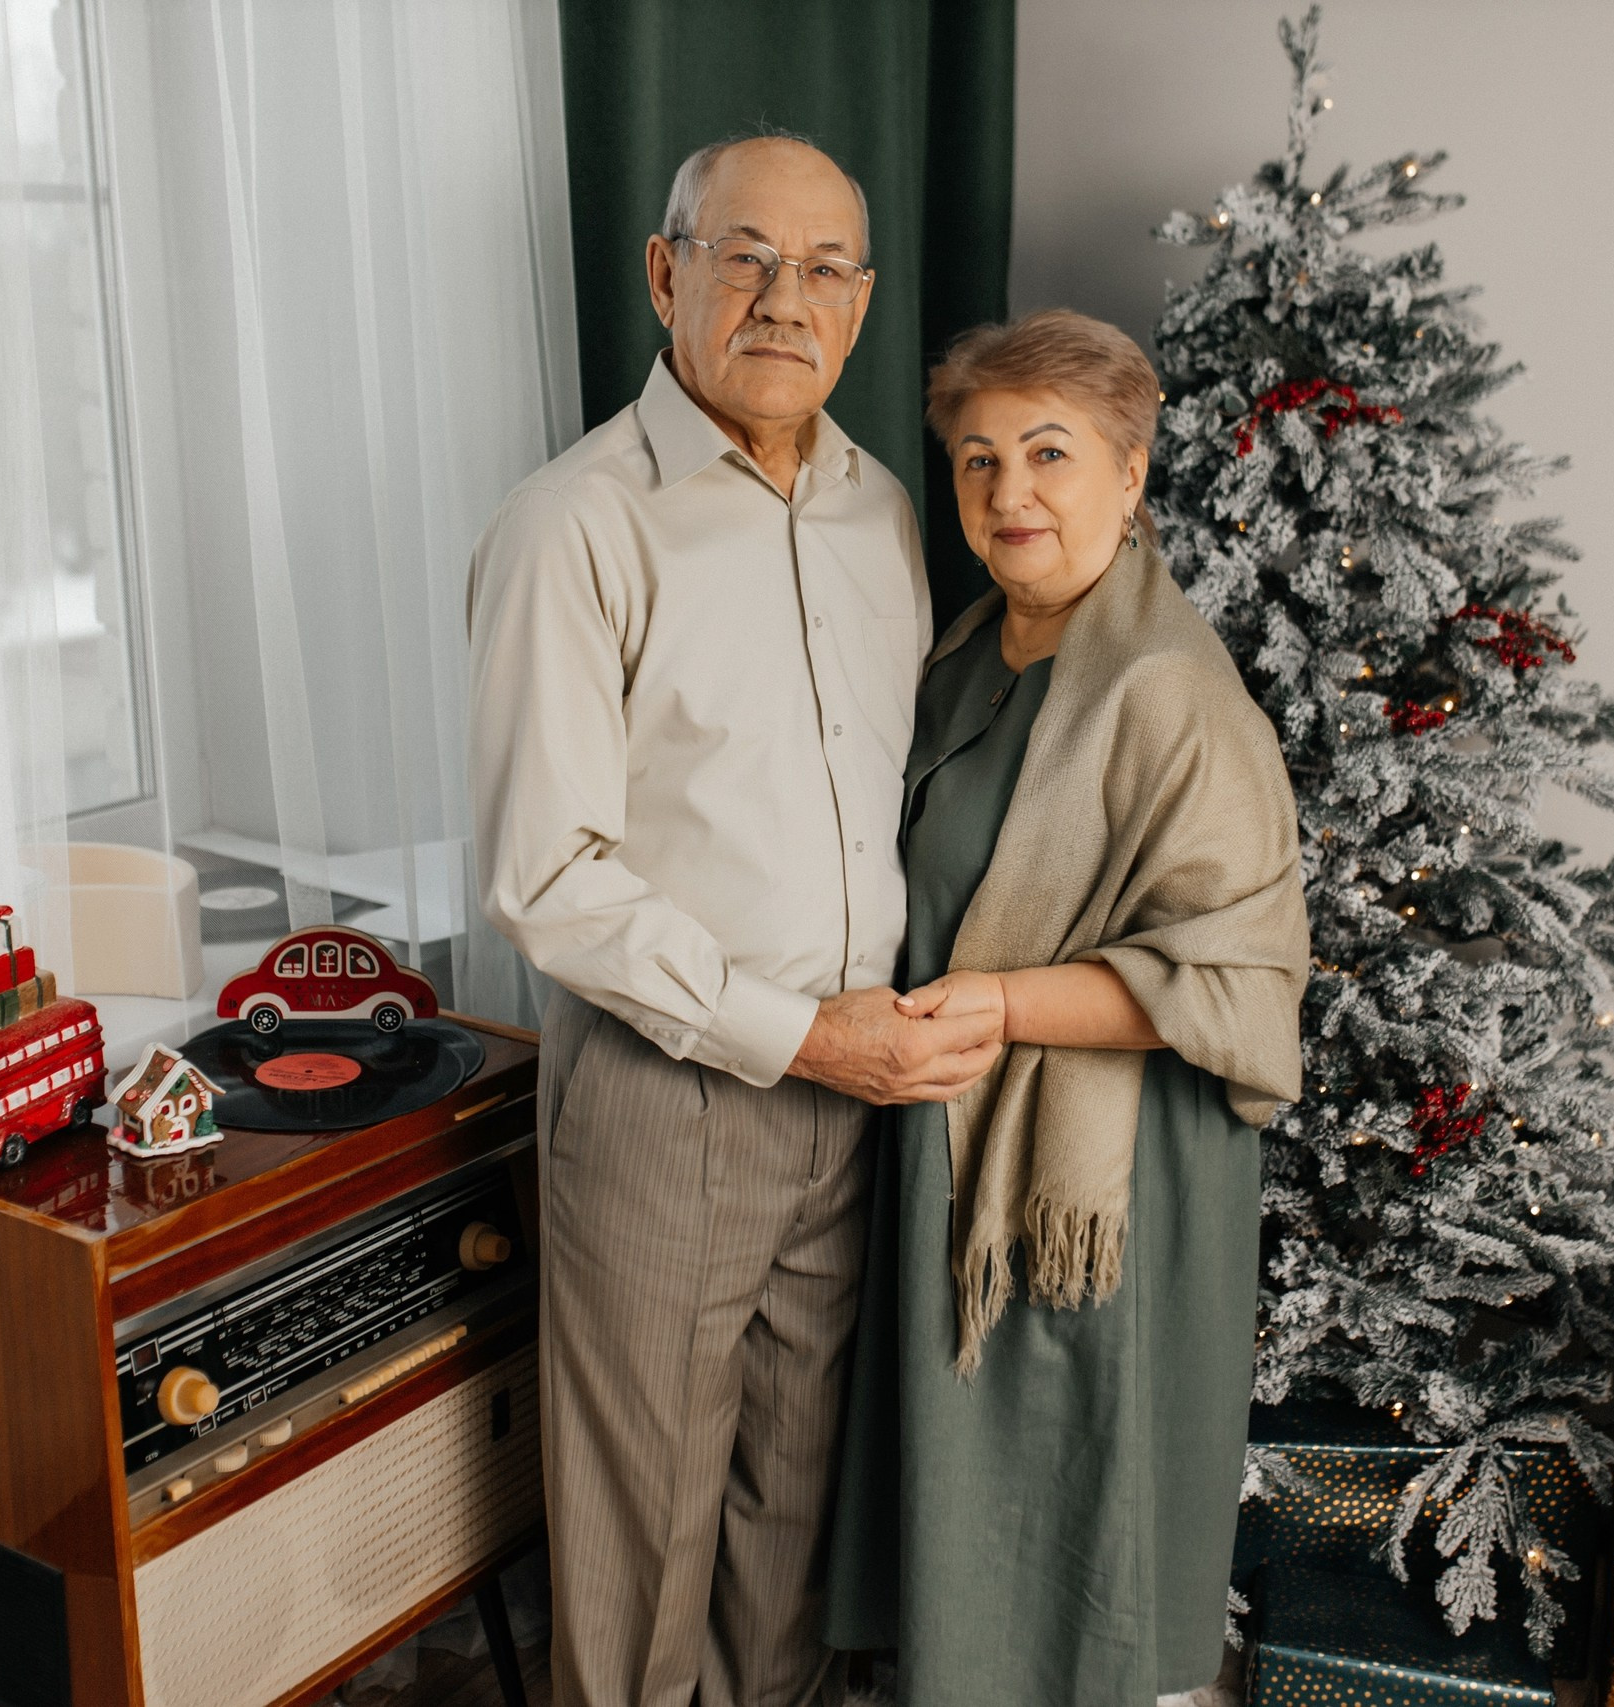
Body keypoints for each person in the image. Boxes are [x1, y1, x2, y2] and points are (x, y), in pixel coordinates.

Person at [468, 134, 994, 1707]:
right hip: (669, 1092)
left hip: (855, 1094)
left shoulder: (884, 512)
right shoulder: (575, 528)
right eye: (744, 255)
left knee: (786, 1520)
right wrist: (798, 1033)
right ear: (665, 272)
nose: (786, 297)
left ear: (863, 301)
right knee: (640, 1552)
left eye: (825, 266)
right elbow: (545, 877)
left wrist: (868, 1035)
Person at [821, 309, 1311, 1707]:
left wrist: (996, 1000)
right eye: (978, 462)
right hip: (957, 1120)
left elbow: (1238, 979)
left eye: (1049, 454)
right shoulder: (977, 650)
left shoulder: (1168, 692)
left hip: (1106, 1173)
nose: (1009, 494)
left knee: (1073, 1497)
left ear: (1131, 472)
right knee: (975, 1501)